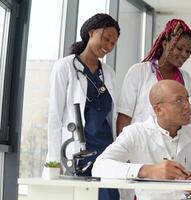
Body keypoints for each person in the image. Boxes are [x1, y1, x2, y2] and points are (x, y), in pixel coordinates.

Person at [92, 80, 191, 200]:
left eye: (187, 99)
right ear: (158, 109)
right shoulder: (135, 133)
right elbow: (99, 167)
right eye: (179, 101)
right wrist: (147, 171)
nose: (188, 106)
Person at [46, 13, 120, 200]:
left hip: (106, 152)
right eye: (106, 38)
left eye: (113, 43)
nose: (109, 46)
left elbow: (113, 116)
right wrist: (54, 161)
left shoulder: (109, 73)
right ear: (91, 32)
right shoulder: (65, 67)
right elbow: (55, 117)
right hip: (76, 152)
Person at [116, 19, 191, 134]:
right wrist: (122, 147)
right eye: (179, 48)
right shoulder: (139, 71)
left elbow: (185, 114)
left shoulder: (185, 78)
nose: (184, 54)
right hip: (141, 144)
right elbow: (124, 115)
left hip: (173, 145)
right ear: (165, 44)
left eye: (188, 51)